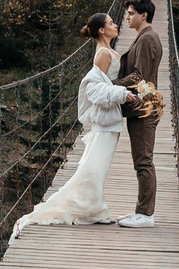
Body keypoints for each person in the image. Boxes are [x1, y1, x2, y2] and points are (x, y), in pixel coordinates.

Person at [11, 13, 127, 235]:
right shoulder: (103, 54)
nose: (115, 25)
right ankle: (92, 210)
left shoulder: (106, 51)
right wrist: (123, 92)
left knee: (96, 165)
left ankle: (95, 208)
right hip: (105, 120)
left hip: (110, 118)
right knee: (93, 166)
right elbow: (97, 89)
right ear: (102, 30)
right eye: (111, 23)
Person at [112, 0, 165, 229]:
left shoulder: (146, 39)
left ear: (144, 15)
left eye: (131, 13)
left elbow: (139, 77)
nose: (127, 17)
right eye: (127, 13)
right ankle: (141, 210)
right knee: (141, 160)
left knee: (143, 161)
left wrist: (110, 85)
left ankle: (145, 214)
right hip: (142, 108)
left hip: (144, 110)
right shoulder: (145, 37)